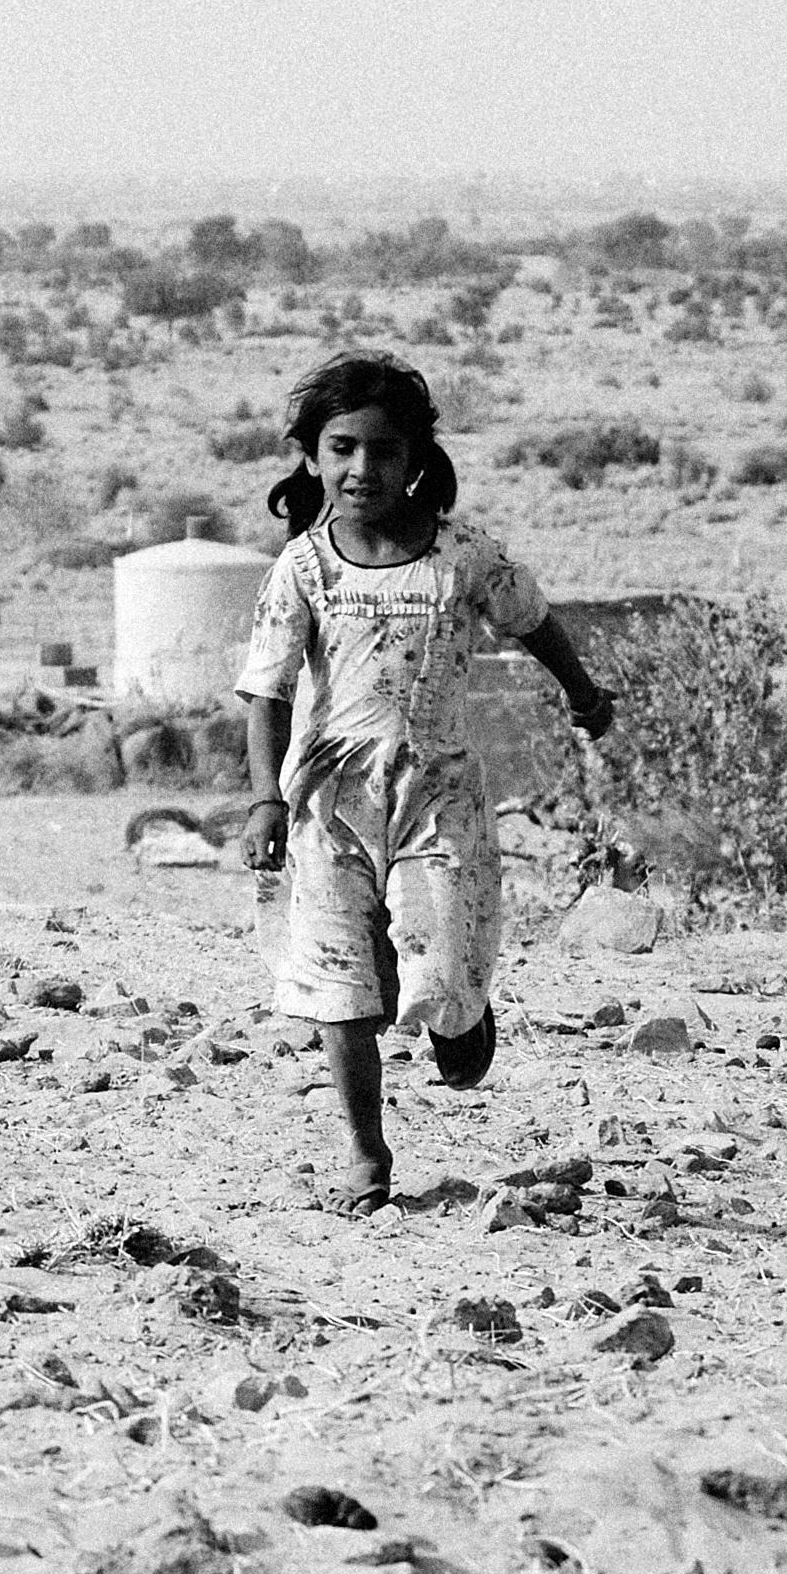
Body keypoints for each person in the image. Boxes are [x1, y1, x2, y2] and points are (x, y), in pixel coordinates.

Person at [237, 354, 616, 1211]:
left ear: (415, 461)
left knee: (439, 977)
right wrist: (265, 795)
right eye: (341, 448)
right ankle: (367, 1153)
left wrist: (584, 694)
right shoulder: (302, 569)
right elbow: (266, 689)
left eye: (382, 451)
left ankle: (463, 1015)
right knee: (342, 983)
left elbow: (534, 622)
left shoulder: (460, 555)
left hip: (434, 796)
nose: (361, 469)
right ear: (312, 456)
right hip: (331, 806)